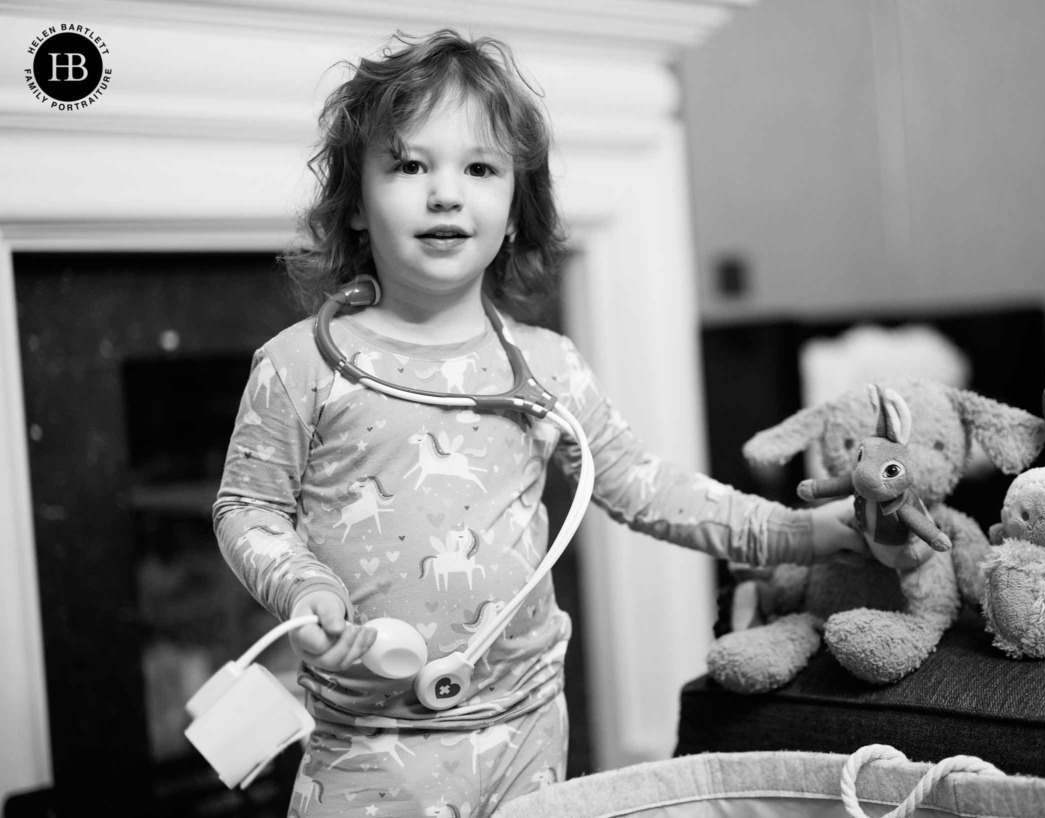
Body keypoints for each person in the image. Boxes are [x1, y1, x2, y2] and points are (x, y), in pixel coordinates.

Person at [213, 28, 862, 817]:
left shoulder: (547, 366)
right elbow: (247, 508)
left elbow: (645, 487)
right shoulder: (297, 367)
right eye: (410, 165)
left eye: (480, 168)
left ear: (517, 210)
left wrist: (809, 533)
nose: (445, 193)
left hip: (527, 733)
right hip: (366, 748)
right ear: (354, 205)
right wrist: (301, 585)